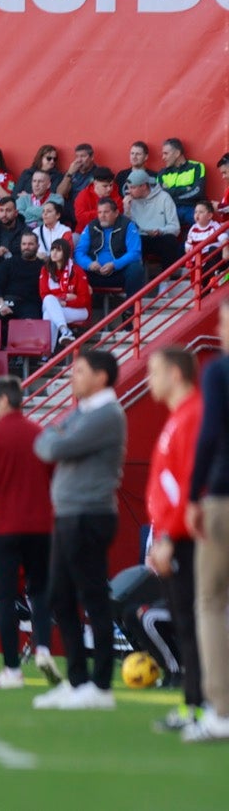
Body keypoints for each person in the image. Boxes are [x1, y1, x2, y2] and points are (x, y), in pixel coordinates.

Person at [32, 349, 126, 710]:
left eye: (80, 370)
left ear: (101, 376)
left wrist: (55, 437)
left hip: (89, 514)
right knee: (60, 596)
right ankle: (78, 680)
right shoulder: (85, 411)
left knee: (92, 597)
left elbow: (54, 446)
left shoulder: (106, 414)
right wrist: (54, 437)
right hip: (70, 514)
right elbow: (46, 440)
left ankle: (100, 685)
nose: (73, 376)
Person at [144, 347, 205, 731]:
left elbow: (191, 485)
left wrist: (170, 535)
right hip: (172, 536)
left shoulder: (193, 416)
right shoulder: (178, 417)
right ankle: (193, 705)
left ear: (176, 374)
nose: (148, 379)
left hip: (185, 538)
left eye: (154, 371)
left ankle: (201, 707)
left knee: (195, 624)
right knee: (186, 625)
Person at [188, 301, 229, 741]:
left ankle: (221, 710)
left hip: (223, 494)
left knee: (212, 601)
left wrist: (191, 494)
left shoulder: (219, 371)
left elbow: (211, 431)